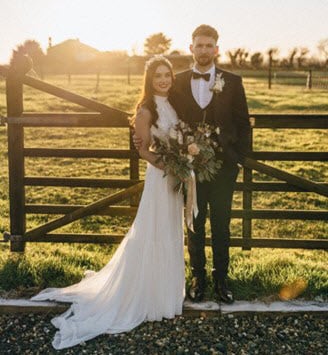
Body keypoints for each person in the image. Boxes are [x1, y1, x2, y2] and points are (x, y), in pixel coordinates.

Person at [31, 56, 185, 350]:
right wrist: (171, 166)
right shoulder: (145, 110)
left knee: (170, 232)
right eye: (158, 76)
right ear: (149, 80)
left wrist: (184, 162)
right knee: (153, 232)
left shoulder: (174, 105)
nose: (163, 80)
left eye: (167, 75)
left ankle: (166, 295)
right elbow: (144, 152)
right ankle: (146, 296)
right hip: (161, 178)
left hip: (176, 180)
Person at [171, 24, 251, 304]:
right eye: (199, 45)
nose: (204, 50)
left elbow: (243, 124)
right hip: (189, 168)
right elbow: (166, 118)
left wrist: (239, 160)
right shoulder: (177, 81)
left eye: (209, 46)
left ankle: (221, 279)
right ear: (191, 48)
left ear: (216, 49)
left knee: (221, 223)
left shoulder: (233, 81)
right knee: (194, 222)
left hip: (224, 168)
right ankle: (198, 278)